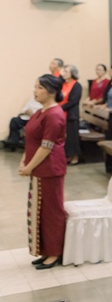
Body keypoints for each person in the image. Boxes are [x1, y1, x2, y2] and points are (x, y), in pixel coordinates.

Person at [20, 74, 68, 270]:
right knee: (40, 211)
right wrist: (24, 161)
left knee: (51, 212)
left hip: (50, 169)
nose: (35, 91)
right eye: (35, 86)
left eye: (39, 87)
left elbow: (46, 146)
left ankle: (55, 252)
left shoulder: (54, 115)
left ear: (51, 91)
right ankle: (46, 250)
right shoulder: (41, 112)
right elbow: (32, 140)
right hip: (39, 169)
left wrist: (29, 167)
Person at [59, 65, 82, 165]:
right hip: (62, 113)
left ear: (72, 73)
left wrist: (61, 108)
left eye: (66, 72)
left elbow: (73, 101)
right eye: (63, 71)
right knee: (65, 137)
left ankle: (75, 156)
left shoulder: (76, 85)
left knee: (72, 137)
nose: (63, 73)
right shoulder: (63, 84)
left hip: (71, 115)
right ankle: (68, 155)